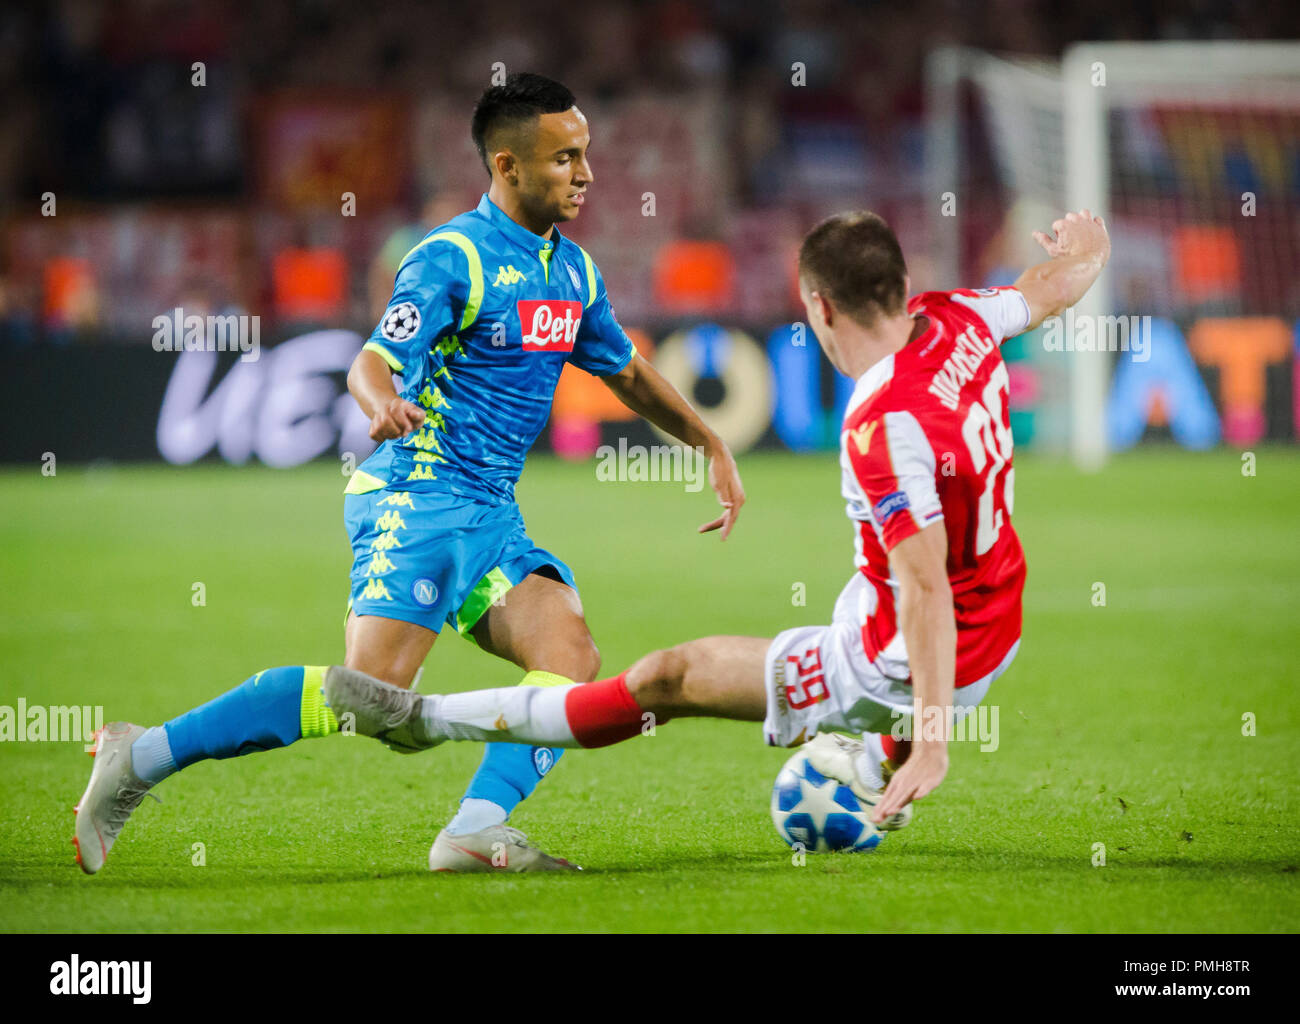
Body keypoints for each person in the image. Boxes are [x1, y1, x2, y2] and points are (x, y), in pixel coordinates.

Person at [73, 73, 745, 875]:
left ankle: (473, 830)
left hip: (492, 515)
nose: (586, 174)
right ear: (508, 166)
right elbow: (371, 360)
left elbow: (627, 373)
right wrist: (383, 402)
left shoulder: (574, 274)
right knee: (373, 700)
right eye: (566, 158)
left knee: (570, 658)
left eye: (586, 155)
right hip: (418, 495)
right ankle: (139, 756)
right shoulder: (453, 257)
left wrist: (707, 441)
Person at [321, 207, 1111, 833]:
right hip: (1000, 620)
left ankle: (425, 721)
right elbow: (1049, 284)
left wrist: (934, 737)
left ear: (820, 307)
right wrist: (1090, 248)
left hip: (901, 661)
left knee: (669, 677)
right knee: (865, 605)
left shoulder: (881, 425)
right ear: (902, 288)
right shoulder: (961, 318)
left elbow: (924, 589)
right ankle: (869, 759)